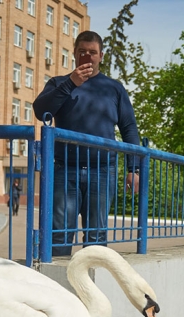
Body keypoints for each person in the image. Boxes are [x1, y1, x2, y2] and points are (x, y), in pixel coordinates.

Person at [34, 30, 140, 256]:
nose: (88, 56)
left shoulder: (113, 88)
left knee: (97, 236)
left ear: (101, 55)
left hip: (102, 171)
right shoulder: (59, 83)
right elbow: (40, 110)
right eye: (82, 52)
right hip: (64, 169)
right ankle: (58, 287)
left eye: (92, 52)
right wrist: (71, 83)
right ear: (74, 53)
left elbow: (129, 127)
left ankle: (90, 287)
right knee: (59, 234)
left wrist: (134, 168)